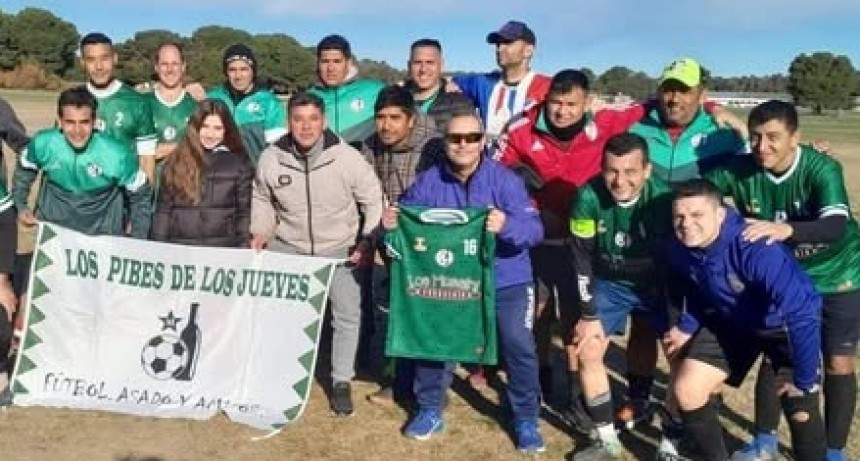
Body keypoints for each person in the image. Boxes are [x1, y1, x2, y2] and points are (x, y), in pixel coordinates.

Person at [381, 111, 545, 453]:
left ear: (483, 141)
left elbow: (534, 230)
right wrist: (390, 227)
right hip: (450, 281)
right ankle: (430, 409)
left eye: (472, 137)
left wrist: (507, 227)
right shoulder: (429, 181)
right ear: (445, 142)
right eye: (455, 138)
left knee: (518, 344)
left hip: (506, 280)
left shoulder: (505, 181)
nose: (463, 144)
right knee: (433, 339)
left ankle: (526, 417)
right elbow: (405, 227)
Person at [705, 100, 860, 461]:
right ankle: (764, 440)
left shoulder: (822, 168)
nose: (763, 147)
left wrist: (785, 229)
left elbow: (835, 226)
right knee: (774, 356)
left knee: (838, 361)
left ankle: (834, 451)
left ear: (795, 138)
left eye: (773, 137)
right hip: (784, 277)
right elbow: (702, 191)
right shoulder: (742, 167)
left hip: (840, 275)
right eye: (757, 137)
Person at [619, 57, 747, 431]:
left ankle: (688, 409)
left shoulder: (721, 133)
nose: (674, 98)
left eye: (684, 90)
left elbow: (761, 161)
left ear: (701, 94)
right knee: (643, 326)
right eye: (668, 89)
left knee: (689, 331)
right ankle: (639, 397)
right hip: (647, 247)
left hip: (699, 253)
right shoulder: (639, 126)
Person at [664, 178, 825, 461]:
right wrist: (687, 325)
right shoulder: (682, 247)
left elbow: (801, 312)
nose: (686, 223)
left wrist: (805, 379)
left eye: (697, 214)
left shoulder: (755, 246)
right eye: (679, 215)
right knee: (687, 390)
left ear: (720, 214)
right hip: (733, 324)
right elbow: (701, 286)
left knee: (800, 406)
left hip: (782, 326)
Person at [249, 92, 383, 417]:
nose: (306, 127)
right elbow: (262, 197)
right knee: (280, 314)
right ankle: (281, 374)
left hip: (340, 248)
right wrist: (261, 232)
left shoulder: (347, 157)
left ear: (323, 122)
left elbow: (373, 199)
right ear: (288, 121)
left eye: (313, 119)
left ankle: (340, 382)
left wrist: (367, 241)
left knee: (347, 316)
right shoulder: (271, 157)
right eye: (298, 119)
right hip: (290, 246)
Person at [567, 133, 676, 460]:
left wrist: (678, 317)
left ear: (647, 170)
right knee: (585, 347)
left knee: (681, 358)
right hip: (611, 282)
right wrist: (587, 316)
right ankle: (606, 441)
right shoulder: (587, 197)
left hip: (660, 285)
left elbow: (682, 262)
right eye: (611, 171)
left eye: (630, 171)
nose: (620, 180)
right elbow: (581, 259)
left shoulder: (665, 201)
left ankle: (670, 444)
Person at [360, 85, 445, 405]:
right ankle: (395, 379)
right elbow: (369, 190)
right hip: (390, 234)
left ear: (411, 119)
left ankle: (433, 383)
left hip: (429, 237)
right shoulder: (371, 146)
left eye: (395, 118)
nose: (386, 125)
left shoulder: (434, 146)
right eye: (380, 117)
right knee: (395, 309)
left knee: (427, 309)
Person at [12, 86, 152, 239]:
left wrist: (138, 240)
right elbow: (24, 169)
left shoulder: (117, 154)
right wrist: (21, 205)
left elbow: (141, 194)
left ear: (94, 122)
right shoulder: (43, 143)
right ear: (59, 122)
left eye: (84, 122)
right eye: (70, 122)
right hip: (54, 231)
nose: (77, 131)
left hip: (101, 235)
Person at [151, 99, 253, 247]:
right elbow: (163, 212)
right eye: (205, 127)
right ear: (195, 127)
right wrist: (158, 248)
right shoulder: (175, 162)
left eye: (218, 128)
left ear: (226, 130)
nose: (210, 135)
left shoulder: (239, 165)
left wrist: (243, 250)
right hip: (181, 250)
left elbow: (244, 214)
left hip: (221, 250)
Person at [451, 20, 550, 143]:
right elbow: (446, 83)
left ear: (528, 50)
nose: (499, 48)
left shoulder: (547, 87)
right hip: (488, 160)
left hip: (525, 161)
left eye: (507, 42)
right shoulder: (483, 83)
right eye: (498, 44)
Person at [79, 32, 157, 182]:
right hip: (82, 199)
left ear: (115, 59)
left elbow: (147, 160)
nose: (99, 66)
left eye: (104, 58)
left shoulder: (137, 102)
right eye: (91, 60)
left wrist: (143, 202)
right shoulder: (72, 100)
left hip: (122, 198)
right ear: (82, 62)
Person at [207, 43, 286, 165]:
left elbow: (278, 150)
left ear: (253, 71)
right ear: (225, 72)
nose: (238, 76)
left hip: (256, 178)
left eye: (244, 69)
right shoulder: (213, 97)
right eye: (232, 70)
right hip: (219, 176)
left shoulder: (269, 102)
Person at [309, 34, 386, 145]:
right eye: (325, 61)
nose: (330, 68)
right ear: (318, 63)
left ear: (348, 63)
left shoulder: (375, 91)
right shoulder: (309, 97)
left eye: (337, 61)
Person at [143, 42, 198, 166]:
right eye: (164, 64)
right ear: (156, 67)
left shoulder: (196, 106)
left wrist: (165, 149)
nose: (170, 70)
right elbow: (129, 148)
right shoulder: (141, 104)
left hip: (187, 181)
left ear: (183, 66)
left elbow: (203, 149)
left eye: (175, 64)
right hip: (150, 183)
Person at [404, 38, 475, 131]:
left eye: (430, 62)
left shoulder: (460, 105)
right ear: (409, 66)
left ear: (441, 66)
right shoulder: (394, 99)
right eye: (417, 63)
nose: (423, 69)